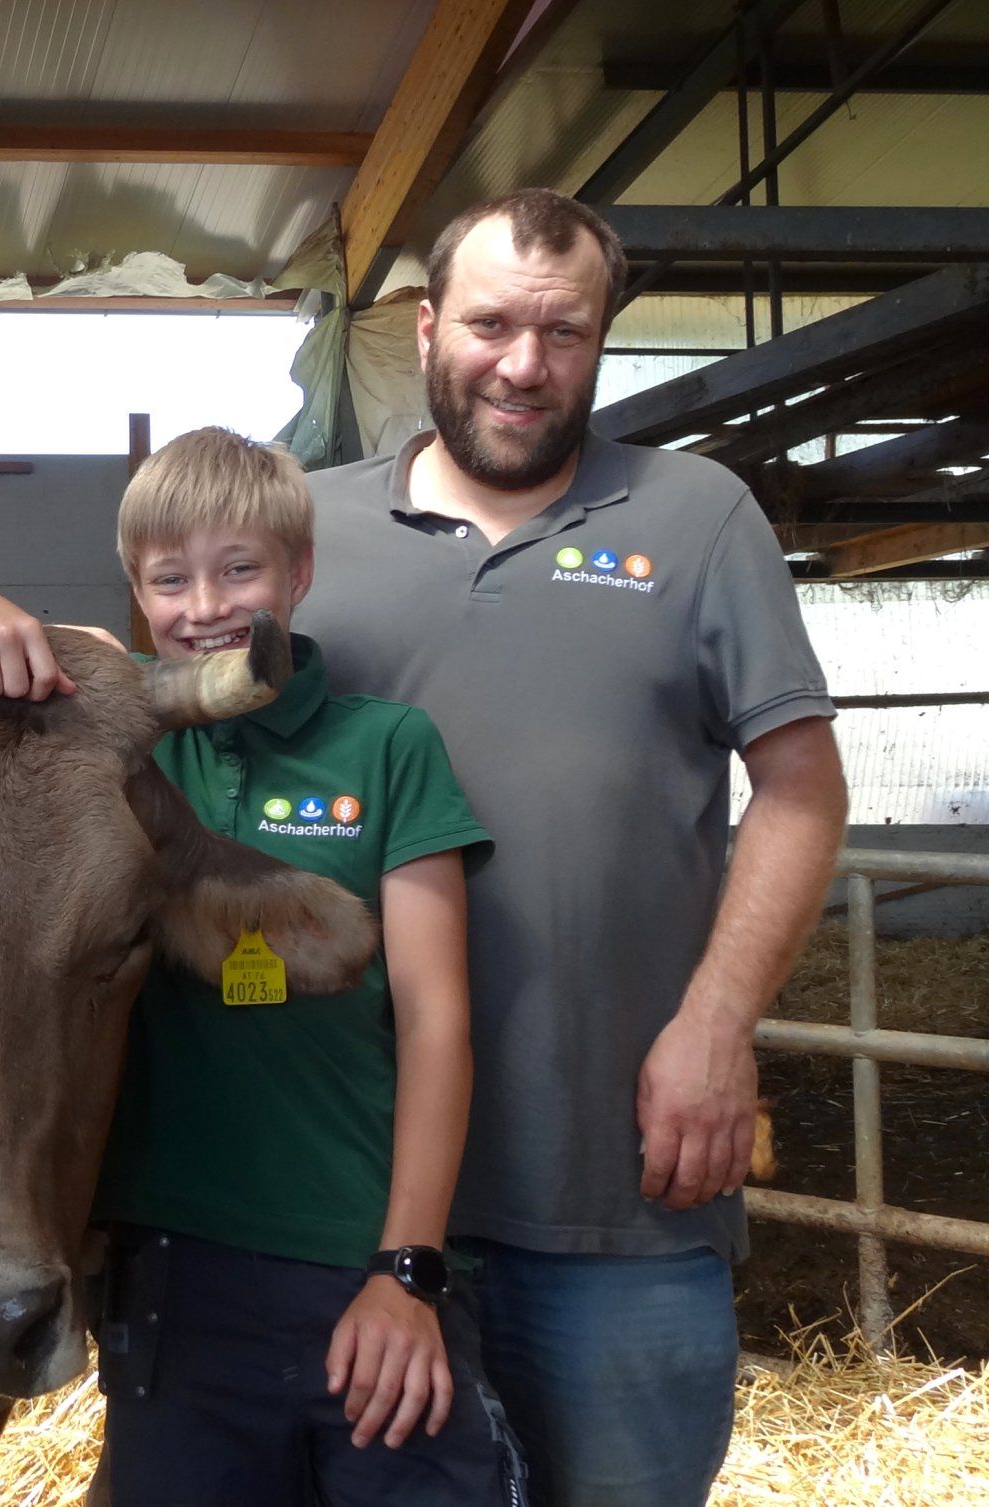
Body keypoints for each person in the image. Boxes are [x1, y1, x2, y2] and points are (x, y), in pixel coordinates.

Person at [293, 188, 849, 1507]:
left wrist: (718, 1022)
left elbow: (802, 788)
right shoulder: (308, 534)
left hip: (618, 1187)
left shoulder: (697, 515)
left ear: (605, 337)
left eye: (564, 331)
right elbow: (166, 715)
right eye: (490, 324)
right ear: (428, 326)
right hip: (345, 1199)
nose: (523, 365)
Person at [85, 426, 519, 1505]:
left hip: (359, 1253)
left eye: (241, 569)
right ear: (137, 593)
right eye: (169, 578)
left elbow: (435, 1022)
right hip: (174, 1269)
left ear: (301, 572)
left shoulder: (385, 746)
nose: (206, 606)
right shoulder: (114, 745)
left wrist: (407, 1269)